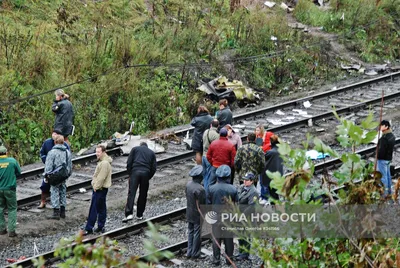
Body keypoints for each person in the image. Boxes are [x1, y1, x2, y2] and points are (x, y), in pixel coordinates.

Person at [208, 165, 238, 266]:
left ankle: (216, 260)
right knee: (228, 239)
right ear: (228, 176)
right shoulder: (233, 189)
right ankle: (229, 259)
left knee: (216, 239)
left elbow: (208, 205)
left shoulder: (211, 189)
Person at [83, 145, 112, 235]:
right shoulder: (104, 161)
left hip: (100, 189)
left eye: (98, 152)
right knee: (101, 207)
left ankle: (89, 228)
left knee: (94, 208)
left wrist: (95, 187)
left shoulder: (104, 163)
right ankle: (101, 226)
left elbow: (101, 178)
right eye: (96, 151)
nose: (97, 154)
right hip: (103, 188)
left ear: (103, 152)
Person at [123, 142, 157, 222]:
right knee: (143, 194)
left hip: (135, 172)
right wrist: (148, 176)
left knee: (132, 193)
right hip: (146, 173)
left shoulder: (135, 149)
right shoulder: (151, 153)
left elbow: (129, 162)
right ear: (146, 146)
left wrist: (130, 173)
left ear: (140, 145)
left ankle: (129, 214)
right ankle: (139, 214)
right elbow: (154, 168)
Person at [38, 129, 70, 209]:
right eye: (53, 133)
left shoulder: (65, 147)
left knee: (58, 189)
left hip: (60, 172)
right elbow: (42, 153)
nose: (54, 135)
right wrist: (45, 160)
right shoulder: (47, 143)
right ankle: (43, 202)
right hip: (52, 170)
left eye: (56, 134)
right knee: (44, 187)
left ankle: (57, 209)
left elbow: (68, 160)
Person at [44, 135, 72, 220]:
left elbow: (48, 166)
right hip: (64, 175)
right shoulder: (67, 152)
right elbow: (70, 165)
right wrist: (68, 174)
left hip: (55, 176)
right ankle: (63, 211)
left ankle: (56, 212)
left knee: (54, 191)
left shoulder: (52, 153)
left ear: (55, 142)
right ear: (63, 142)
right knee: (63, 190)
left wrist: (46, 176)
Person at [235, 172, 258, 261]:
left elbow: (251, 207)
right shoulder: (241, 187)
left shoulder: (254, 192)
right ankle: (241, 251)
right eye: (244, 179)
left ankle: (245, 254)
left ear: (252, 181)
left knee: (246, 236)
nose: (245, 181)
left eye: (247, 180)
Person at [185, 165, 206, 259]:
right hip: (197, 214)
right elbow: (203, 203)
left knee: (190, 232)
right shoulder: (200, 189)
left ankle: (189, 252)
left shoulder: (188, 185)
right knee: (197, 233)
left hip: (189, 212)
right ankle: (195, 253)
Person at [0, 145, 21, 237]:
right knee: (12, 209)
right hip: (10, 189)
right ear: (6, 153)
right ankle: (12, 231)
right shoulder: (12, 161)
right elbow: (18, 172)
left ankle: (2, 230)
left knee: (0, 209)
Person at [260, 135, 283, 204]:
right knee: (275, 193)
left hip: (271, 177)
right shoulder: (280, 151)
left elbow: (263, 159)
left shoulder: (270, 152)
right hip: (279, 174)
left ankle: (276, 208)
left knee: (273, 194)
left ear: (271, 142)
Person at [377, 120, 396, 197]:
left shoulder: (383, 138)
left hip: (382, 160)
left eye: (382, 125)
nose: (380, 127)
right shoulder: (392, 136)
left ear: (386, 127)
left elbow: (381, 151)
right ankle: (389, 192)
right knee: (388, 176)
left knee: (383, 177)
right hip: (388, 159)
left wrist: (378, 157)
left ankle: (384, 195)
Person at [202, 119, 220, 199]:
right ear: (218, 126)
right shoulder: (216, 135)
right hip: (210, 158)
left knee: (205, 175)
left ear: (211, 125)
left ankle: (205, 191)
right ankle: (207, 194)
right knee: (210, 177)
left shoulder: (206, 131)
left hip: (203, 156)